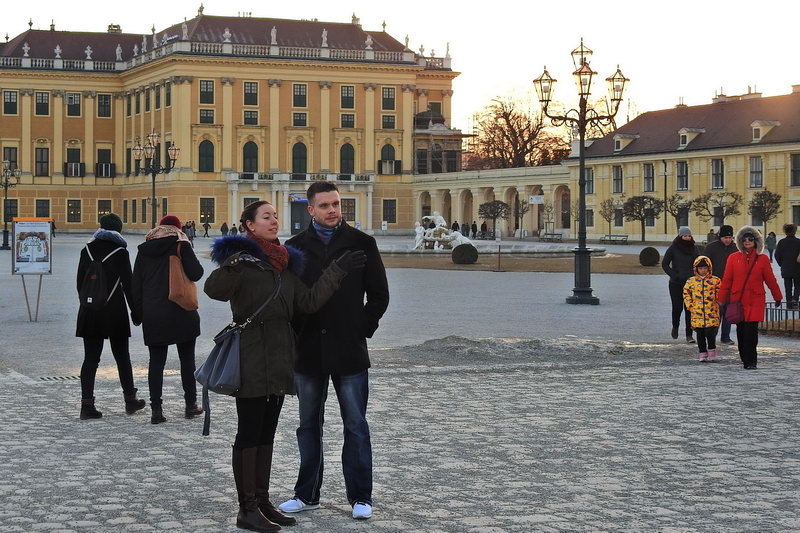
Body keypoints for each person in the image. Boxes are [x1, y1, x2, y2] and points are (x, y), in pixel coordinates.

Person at [205, 200, 366, 533]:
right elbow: (213, 290)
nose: (275, 221)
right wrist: (234, 257)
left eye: (276, 216)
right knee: (248, 433)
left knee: (266, 433)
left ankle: (262, 502)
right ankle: (246, 509)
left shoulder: (284, 265)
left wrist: (337, 271)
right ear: (249, 225)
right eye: (267, 217)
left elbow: (306, 303)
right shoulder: (244, 263)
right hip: (249, 358)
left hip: (279, 359)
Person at [280, 181, 390, 521]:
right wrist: (297, 334)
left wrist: (362, 328)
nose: (333, 210)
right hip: (309, 350)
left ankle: (360, 496)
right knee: (307, 425)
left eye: (336, 204)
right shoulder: (294, 247)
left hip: (349, 348)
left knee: (356, 424)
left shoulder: (362, 243)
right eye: (325, 205)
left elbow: (380, 295)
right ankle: (307, 493)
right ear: (310, 209)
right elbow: (290, 300)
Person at [132, 215, 204, 424]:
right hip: (182, 310)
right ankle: (190, 405)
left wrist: (138, 314)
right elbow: (197, 273)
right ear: (179, 228)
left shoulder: (144, 250)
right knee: (187, 360)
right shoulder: (181, 245)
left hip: (154, 314)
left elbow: (136, 284)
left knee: (156, 363)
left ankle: (156, 410)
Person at [76, 213, 146, 419]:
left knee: (90, 359)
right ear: (118, 230)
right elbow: (128, 284)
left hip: (90, 311)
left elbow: (80, 283)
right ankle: (130, 400)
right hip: (114, 311)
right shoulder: (120, 252)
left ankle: (86, 405)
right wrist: (136, 311)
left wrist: (90, 301)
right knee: (122, 357)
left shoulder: (86, 250)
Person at [718, 226, 782, 369]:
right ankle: (744, 356)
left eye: (750, 239)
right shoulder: (733, 258)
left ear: (756, 241)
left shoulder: (763, 259)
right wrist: (721, 298)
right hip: (738, 300)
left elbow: (770, 280)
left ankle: (751, 361)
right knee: (741, 331)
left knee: (751, 332)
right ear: (740, 241)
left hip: (755, 300)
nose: (747, 241)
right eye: (744, 239)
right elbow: (727, 280)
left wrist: (778, 296)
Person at [662, 226, 700, 342]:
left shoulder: (694, 248)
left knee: (689, 309)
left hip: (691, 283)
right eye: (685, 236)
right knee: (677, 307)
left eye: (689, 236)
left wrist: (697, 275)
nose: (687, 238)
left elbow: (699, 262)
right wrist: (674, 275)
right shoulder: (673, 248)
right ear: (680, 236)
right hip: (676, 283)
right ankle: (675, 326)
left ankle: (689, 335)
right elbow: (665, 264)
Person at [703, 224, 738, 344]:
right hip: (715, 285)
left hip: (731, 285)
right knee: (716, 311)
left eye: (730, 237)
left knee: (728, 311)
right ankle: (713, 334)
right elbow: (705, 265)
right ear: (720, 237)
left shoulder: (736, 248)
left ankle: (725, 336)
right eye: (725, 238)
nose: (728, 240)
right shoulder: (711, 247)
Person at [683, 256, 721, 362]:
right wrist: (690, 305)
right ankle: (702, 352)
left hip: (711, 312)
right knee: (700, 334)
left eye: (705, 268)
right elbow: (686, 293)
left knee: (710, 333)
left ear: (709, 268)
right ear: (696, 269)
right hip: (697, 313)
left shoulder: (715, 280)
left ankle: (712, 351)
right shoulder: (691, 281)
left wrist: (718, 301)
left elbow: (720, 293)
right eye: (700, 268)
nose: (703, 270)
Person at [774, 223, 800, 309]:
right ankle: (795, 300)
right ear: (795, 231)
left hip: (786, 268)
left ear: (785, 231)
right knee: (798, 285)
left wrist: (782, 264)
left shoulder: (781, 242)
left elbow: (777, 255)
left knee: (787, 287)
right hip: (798, 268)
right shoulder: (799, 242)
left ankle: (789, 304)